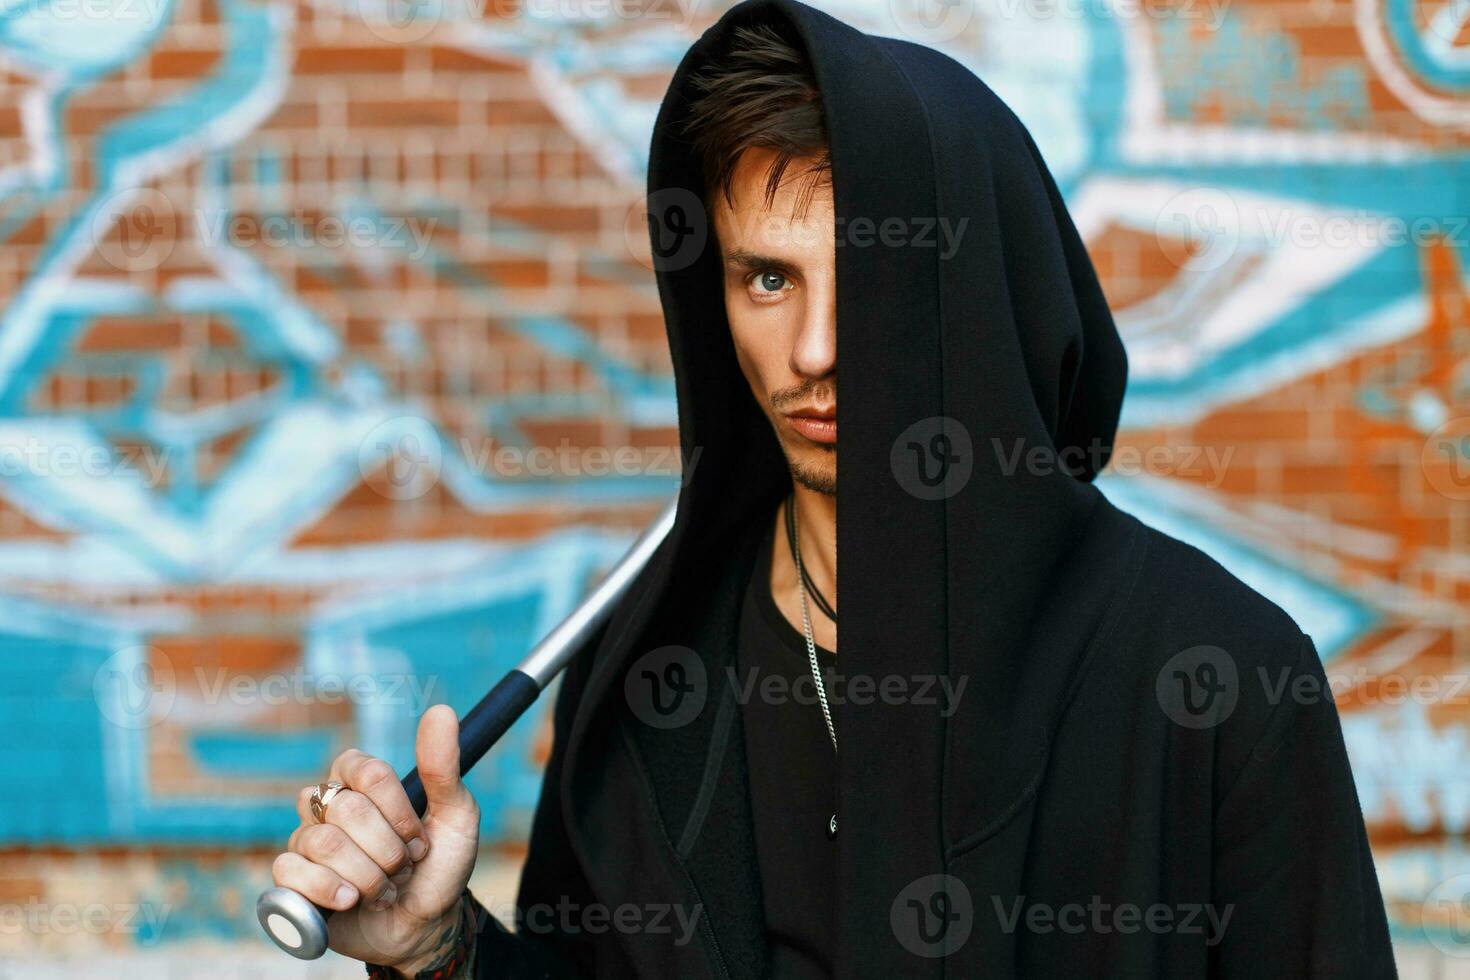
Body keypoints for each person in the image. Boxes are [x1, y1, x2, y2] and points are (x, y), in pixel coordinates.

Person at [268, 1, 1398, 976]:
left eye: (870, 279)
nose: (813, 347)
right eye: (767, 276)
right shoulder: (649, 666)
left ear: (972, 294)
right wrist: (439, 946)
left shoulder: (1217, 676)